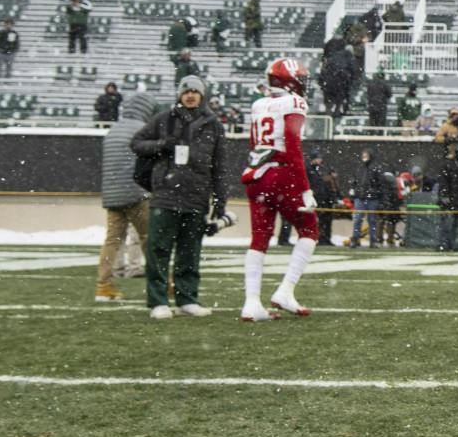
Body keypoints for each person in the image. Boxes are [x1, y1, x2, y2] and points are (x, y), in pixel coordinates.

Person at [130, 75, 226, 319]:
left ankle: (187, 298)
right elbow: (137, 143)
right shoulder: (164, 119)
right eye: (186, 91)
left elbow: (220, 165)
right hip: (166, 195)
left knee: (190, 250)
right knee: (159, 249)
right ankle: (158, 301)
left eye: (195, 91)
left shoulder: (213, 124)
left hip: (196, 196)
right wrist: (163, 144)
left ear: (202, 95)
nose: (190, 95)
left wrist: (220, 200)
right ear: (180, 94)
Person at [239, 59, 320, 321]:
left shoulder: (258, 103)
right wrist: (305, 188)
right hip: (280, 173)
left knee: (259, 238)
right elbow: (293, 147)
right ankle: (285, 291)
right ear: (290, 80)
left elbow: (254, 142)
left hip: (256, 173)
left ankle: (251, 303)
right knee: (309, 230)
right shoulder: (293, 103)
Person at [95, 91, 159, 301]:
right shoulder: (141, 130)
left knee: (112, 240)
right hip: (135, 193)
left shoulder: (113, 130)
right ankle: (161, 282)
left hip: (112, 195)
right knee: (148, 238)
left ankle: (103, 285)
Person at [348, 148, 391, 247]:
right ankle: (356, 239)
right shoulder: (360, 168)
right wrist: (353, 192)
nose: (364, 157)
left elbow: (381, 184)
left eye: (366, 155)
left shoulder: (375, 168)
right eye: (363, 155)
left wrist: (381, 198)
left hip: (371, 198)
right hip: (361, 197)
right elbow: (354, 182)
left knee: (371, 220)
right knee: (359, 219)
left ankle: (372, 240)